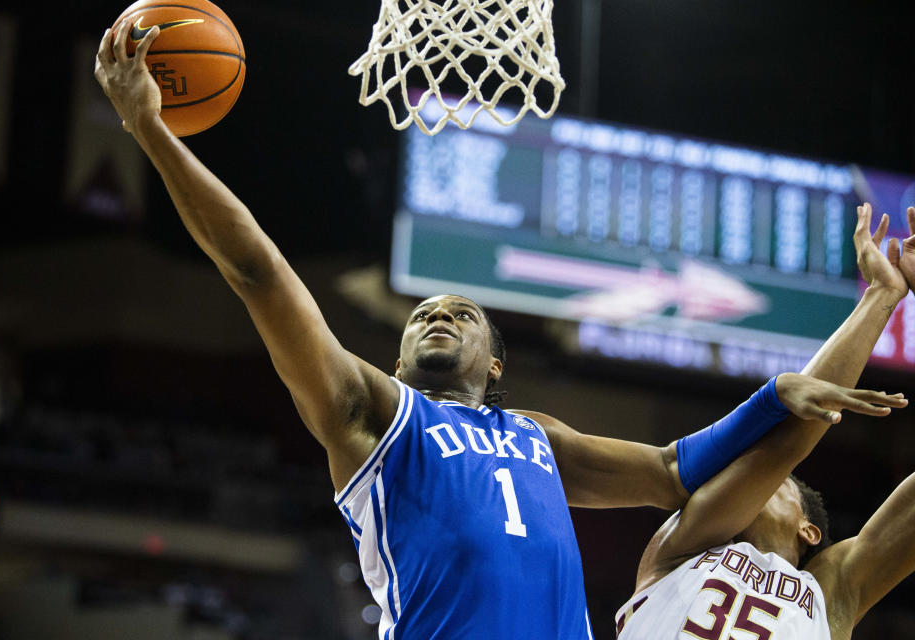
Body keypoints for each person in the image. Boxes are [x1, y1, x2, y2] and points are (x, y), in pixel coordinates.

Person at [93, 25, 906, 639]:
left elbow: (672, 467)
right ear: (399, 355)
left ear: (496, 359)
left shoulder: (539, 439)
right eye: (420, 316)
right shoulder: (372, 415)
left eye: (462, 313)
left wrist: (775, 397)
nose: (437, 313)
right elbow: (259, 273)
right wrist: (153, 133)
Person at [615, 204, 915, 640]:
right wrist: (880, 298)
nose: (751, 476)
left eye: (779, 482)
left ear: (807, 529)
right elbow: (785, 443)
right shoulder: (678, 553)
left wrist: (884, 295)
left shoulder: (830, 595)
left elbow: (789, 443)